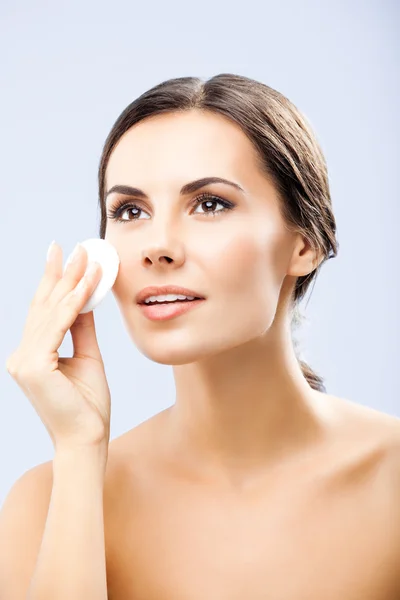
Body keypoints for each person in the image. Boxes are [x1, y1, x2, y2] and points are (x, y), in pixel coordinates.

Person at [1, 73, 399, 599]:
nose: (157, 246)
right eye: (130, 211)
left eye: (210, 204)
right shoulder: (47, 500)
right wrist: (79, 450)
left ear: (303, 243)